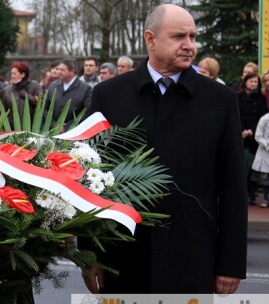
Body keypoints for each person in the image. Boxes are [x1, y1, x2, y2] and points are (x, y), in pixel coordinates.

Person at [79, 3, 247, 294]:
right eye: (179, 36)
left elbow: (233, 188)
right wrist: (89, 256)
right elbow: (89, 178)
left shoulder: (220, 100)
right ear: (150, 39)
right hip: (123, 259)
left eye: (193, 37)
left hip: (193, 260)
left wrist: (230, 264)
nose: (189, 46)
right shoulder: (108, 95)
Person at [238, 72, 267, 205]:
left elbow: (261, 117)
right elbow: (236, 114)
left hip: (255, 137)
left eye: (256, 82)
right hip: (241, 135)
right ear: (245, 82)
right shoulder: (238, 97)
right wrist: (242, 130)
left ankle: (252, 195)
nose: (254, 84)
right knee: (241, 166)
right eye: (251, 82)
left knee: (253, 169)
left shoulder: (260, 98)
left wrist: (252, 130)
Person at [45, 58, 92, 127]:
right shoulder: (53, 86)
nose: (58, 72)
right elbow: (44, 108)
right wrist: (54, 125)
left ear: (72, 71)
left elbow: (88, 112)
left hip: (75, 131)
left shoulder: (85, 89)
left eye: (62, 70)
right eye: (58, 69)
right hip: (52, 130)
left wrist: (67, 126)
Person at [251, 111, 269, 208]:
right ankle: (264, 198)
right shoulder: (264, 119)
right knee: (263, 178)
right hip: (264, 153)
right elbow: (258, 136)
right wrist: (267, 144)